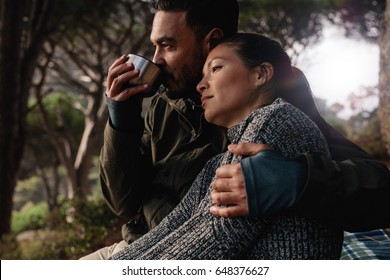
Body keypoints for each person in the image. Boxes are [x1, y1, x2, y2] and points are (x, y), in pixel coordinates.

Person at [84, 0, 390, 259]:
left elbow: (380, 189)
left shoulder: (274, 100)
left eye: (168, 45)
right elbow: (124, 204)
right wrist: (121, 121)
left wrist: (301, 179)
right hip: (142, 246)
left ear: (212, 41)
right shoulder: (163, 101)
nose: (157, 60)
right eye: (155, 47)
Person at [110, 33, 342, 259]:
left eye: (216, 69)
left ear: (261, 74)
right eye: (203, 74)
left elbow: (214, 239)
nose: (201, 85)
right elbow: (172, 229)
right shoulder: (222, 159)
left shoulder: (275, 121)